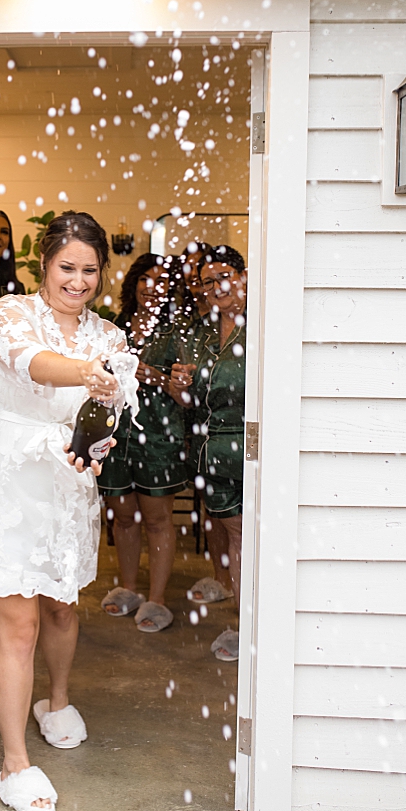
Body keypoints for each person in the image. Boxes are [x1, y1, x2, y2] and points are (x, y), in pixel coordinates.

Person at [0, 211, 139, 811]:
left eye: (89, 271)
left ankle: (55, 701)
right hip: (3, 475)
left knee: (62, 604)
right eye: (67, 268)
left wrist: (101, 443)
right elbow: (32, 364)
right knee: (20, 623)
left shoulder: (109, 336)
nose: (78, 281)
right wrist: (90, 375)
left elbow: (109, 415)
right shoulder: (6, 314)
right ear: (44, 266)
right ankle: (13, 761)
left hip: (65, 477)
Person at [97, 254, 194, 633]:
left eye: (161, 281)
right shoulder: (114, 328)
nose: (151, 287)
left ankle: (157, 598)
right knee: (123, 518)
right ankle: (128, 589)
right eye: (145, 279)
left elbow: (184, 395)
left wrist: (150, 375)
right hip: (116, 436)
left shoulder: (178, 333)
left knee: (156, 520)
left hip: (159, 438)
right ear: (133, 283)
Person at [176, 246, 249, 662]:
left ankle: (262, 624)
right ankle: (243, 623)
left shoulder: (261, 324)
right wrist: (180, 385)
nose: (215, 287)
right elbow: (190, 401)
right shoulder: (200, 333)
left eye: (223, 276)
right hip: (212, 451)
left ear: (242, 276)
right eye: (206, 281)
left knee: (255, 537)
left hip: (252, 444)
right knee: (235, 537)